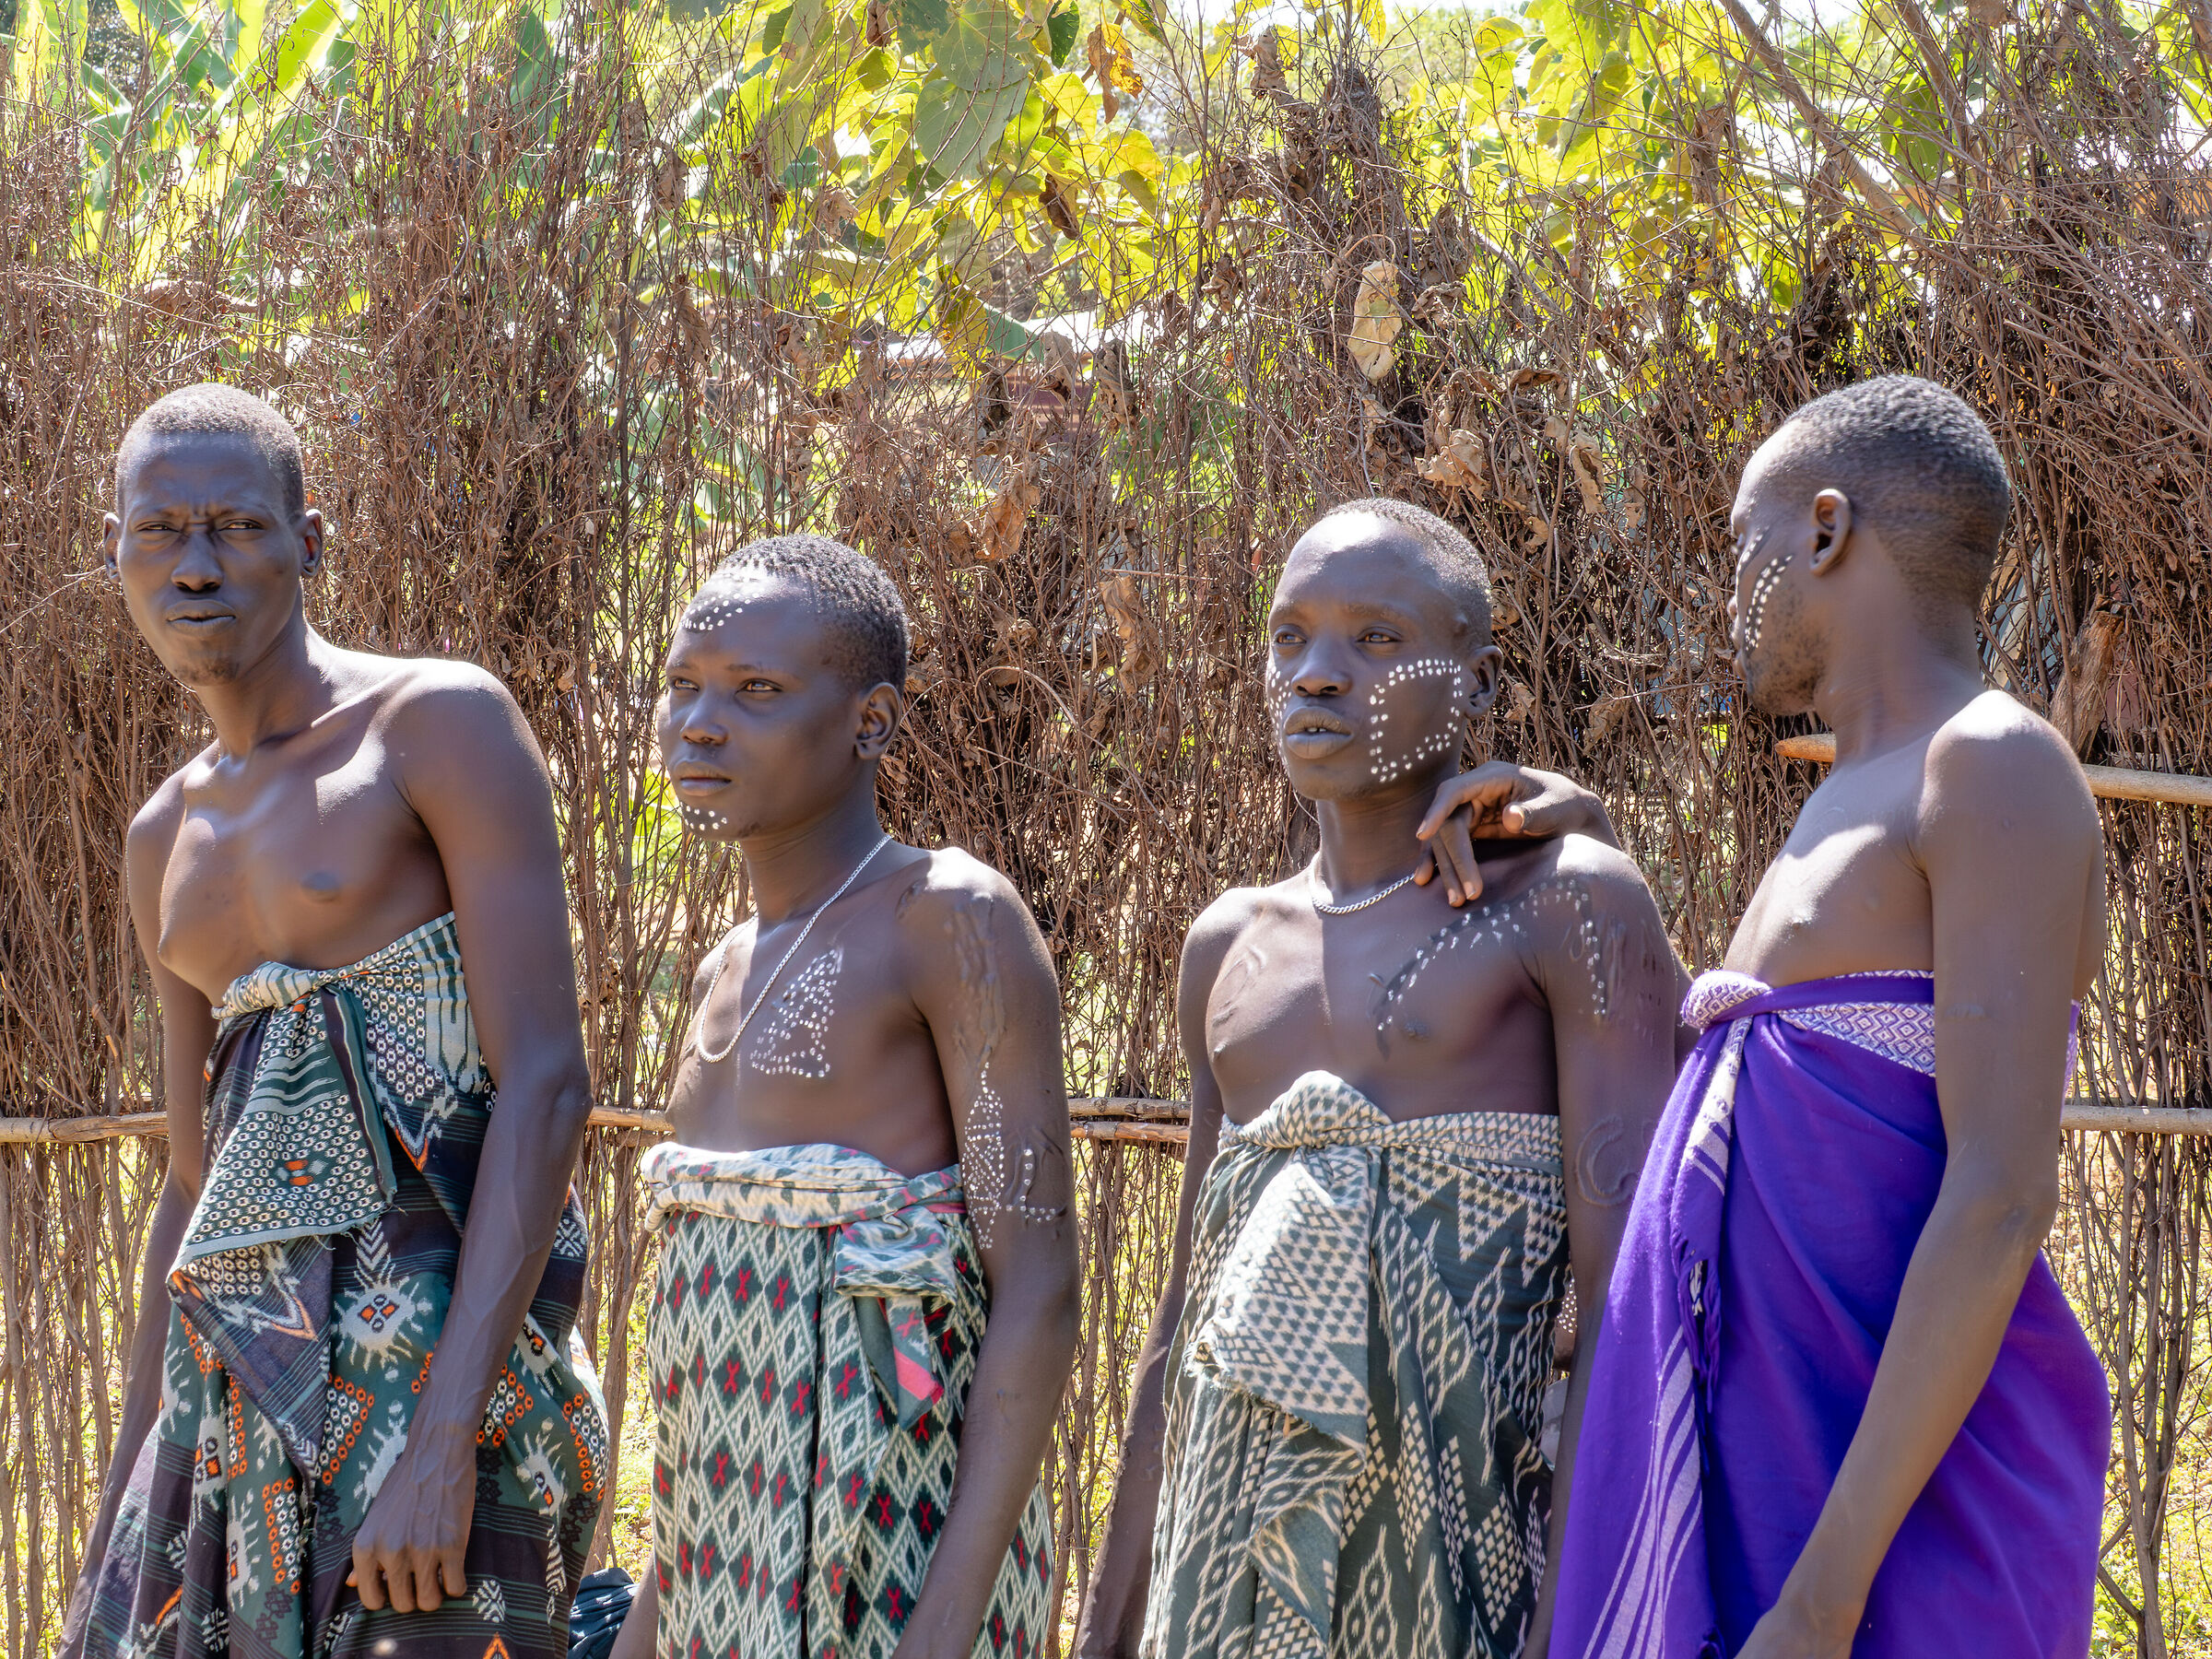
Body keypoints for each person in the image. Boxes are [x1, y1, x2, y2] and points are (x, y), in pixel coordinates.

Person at [1551, 376, 2110, 1658]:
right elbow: (1767, 1099)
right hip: (1781, 1475)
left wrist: (1823, 1599)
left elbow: (1999, 1195)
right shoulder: (1841, 797)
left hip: (1898, 1532)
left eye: (1739, 550)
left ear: (1822, 528)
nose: (1726, 594)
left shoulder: (1992, 762)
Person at [1075, 498, 1687, 1659]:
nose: (1316, 673)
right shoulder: (1230, 946)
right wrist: (1108, 1635)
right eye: (1289, 636)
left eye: (1380, 640)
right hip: (1226, 1585)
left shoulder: (1566, 905)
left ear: (1483, 682)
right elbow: (1183, 1328)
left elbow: (1628, 1303)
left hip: (1471, 1578)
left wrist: (1571, 1628)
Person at [64, 385, 606, 1659]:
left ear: (313, 540)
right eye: (161, 533)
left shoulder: (434, 726)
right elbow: (195, 1186)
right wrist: (126, 1498)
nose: (196, 567)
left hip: (441, 1390)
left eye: (238, 527)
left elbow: (547, 1084)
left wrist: (443, 1444)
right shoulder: (164, 836)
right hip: (235, 1403)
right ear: (118, 550)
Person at [606, 535, 1077, 1659]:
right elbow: (715, 1391)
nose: (699, 723)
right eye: (683, 686)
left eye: (756, 691)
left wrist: (946, 1620)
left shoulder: (947, 917)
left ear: (871, 722)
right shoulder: (725, 966)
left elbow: (1041, 1288)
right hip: (722, 1577)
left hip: (891, 1561)